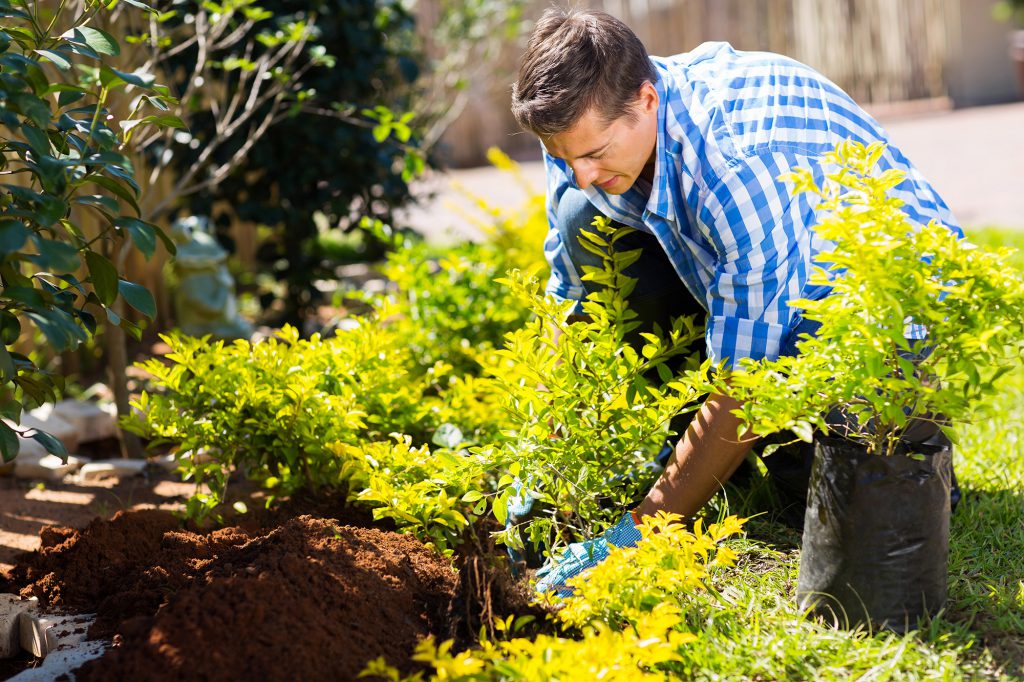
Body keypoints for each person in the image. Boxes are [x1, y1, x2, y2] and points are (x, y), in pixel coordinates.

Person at [508, 8, 962, 594]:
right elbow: (568, 296)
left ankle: (900, 451)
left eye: (594, 153)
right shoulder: (580, 127)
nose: (581, 173)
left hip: (873, 307)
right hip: (760, 289)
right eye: (563, 156)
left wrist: (640, 534)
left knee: (836, 501)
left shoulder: (736, 162)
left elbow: (747, 383)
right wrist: (544, 454)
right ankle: (700, 453)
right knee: (582, 216)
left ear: (646, 99)